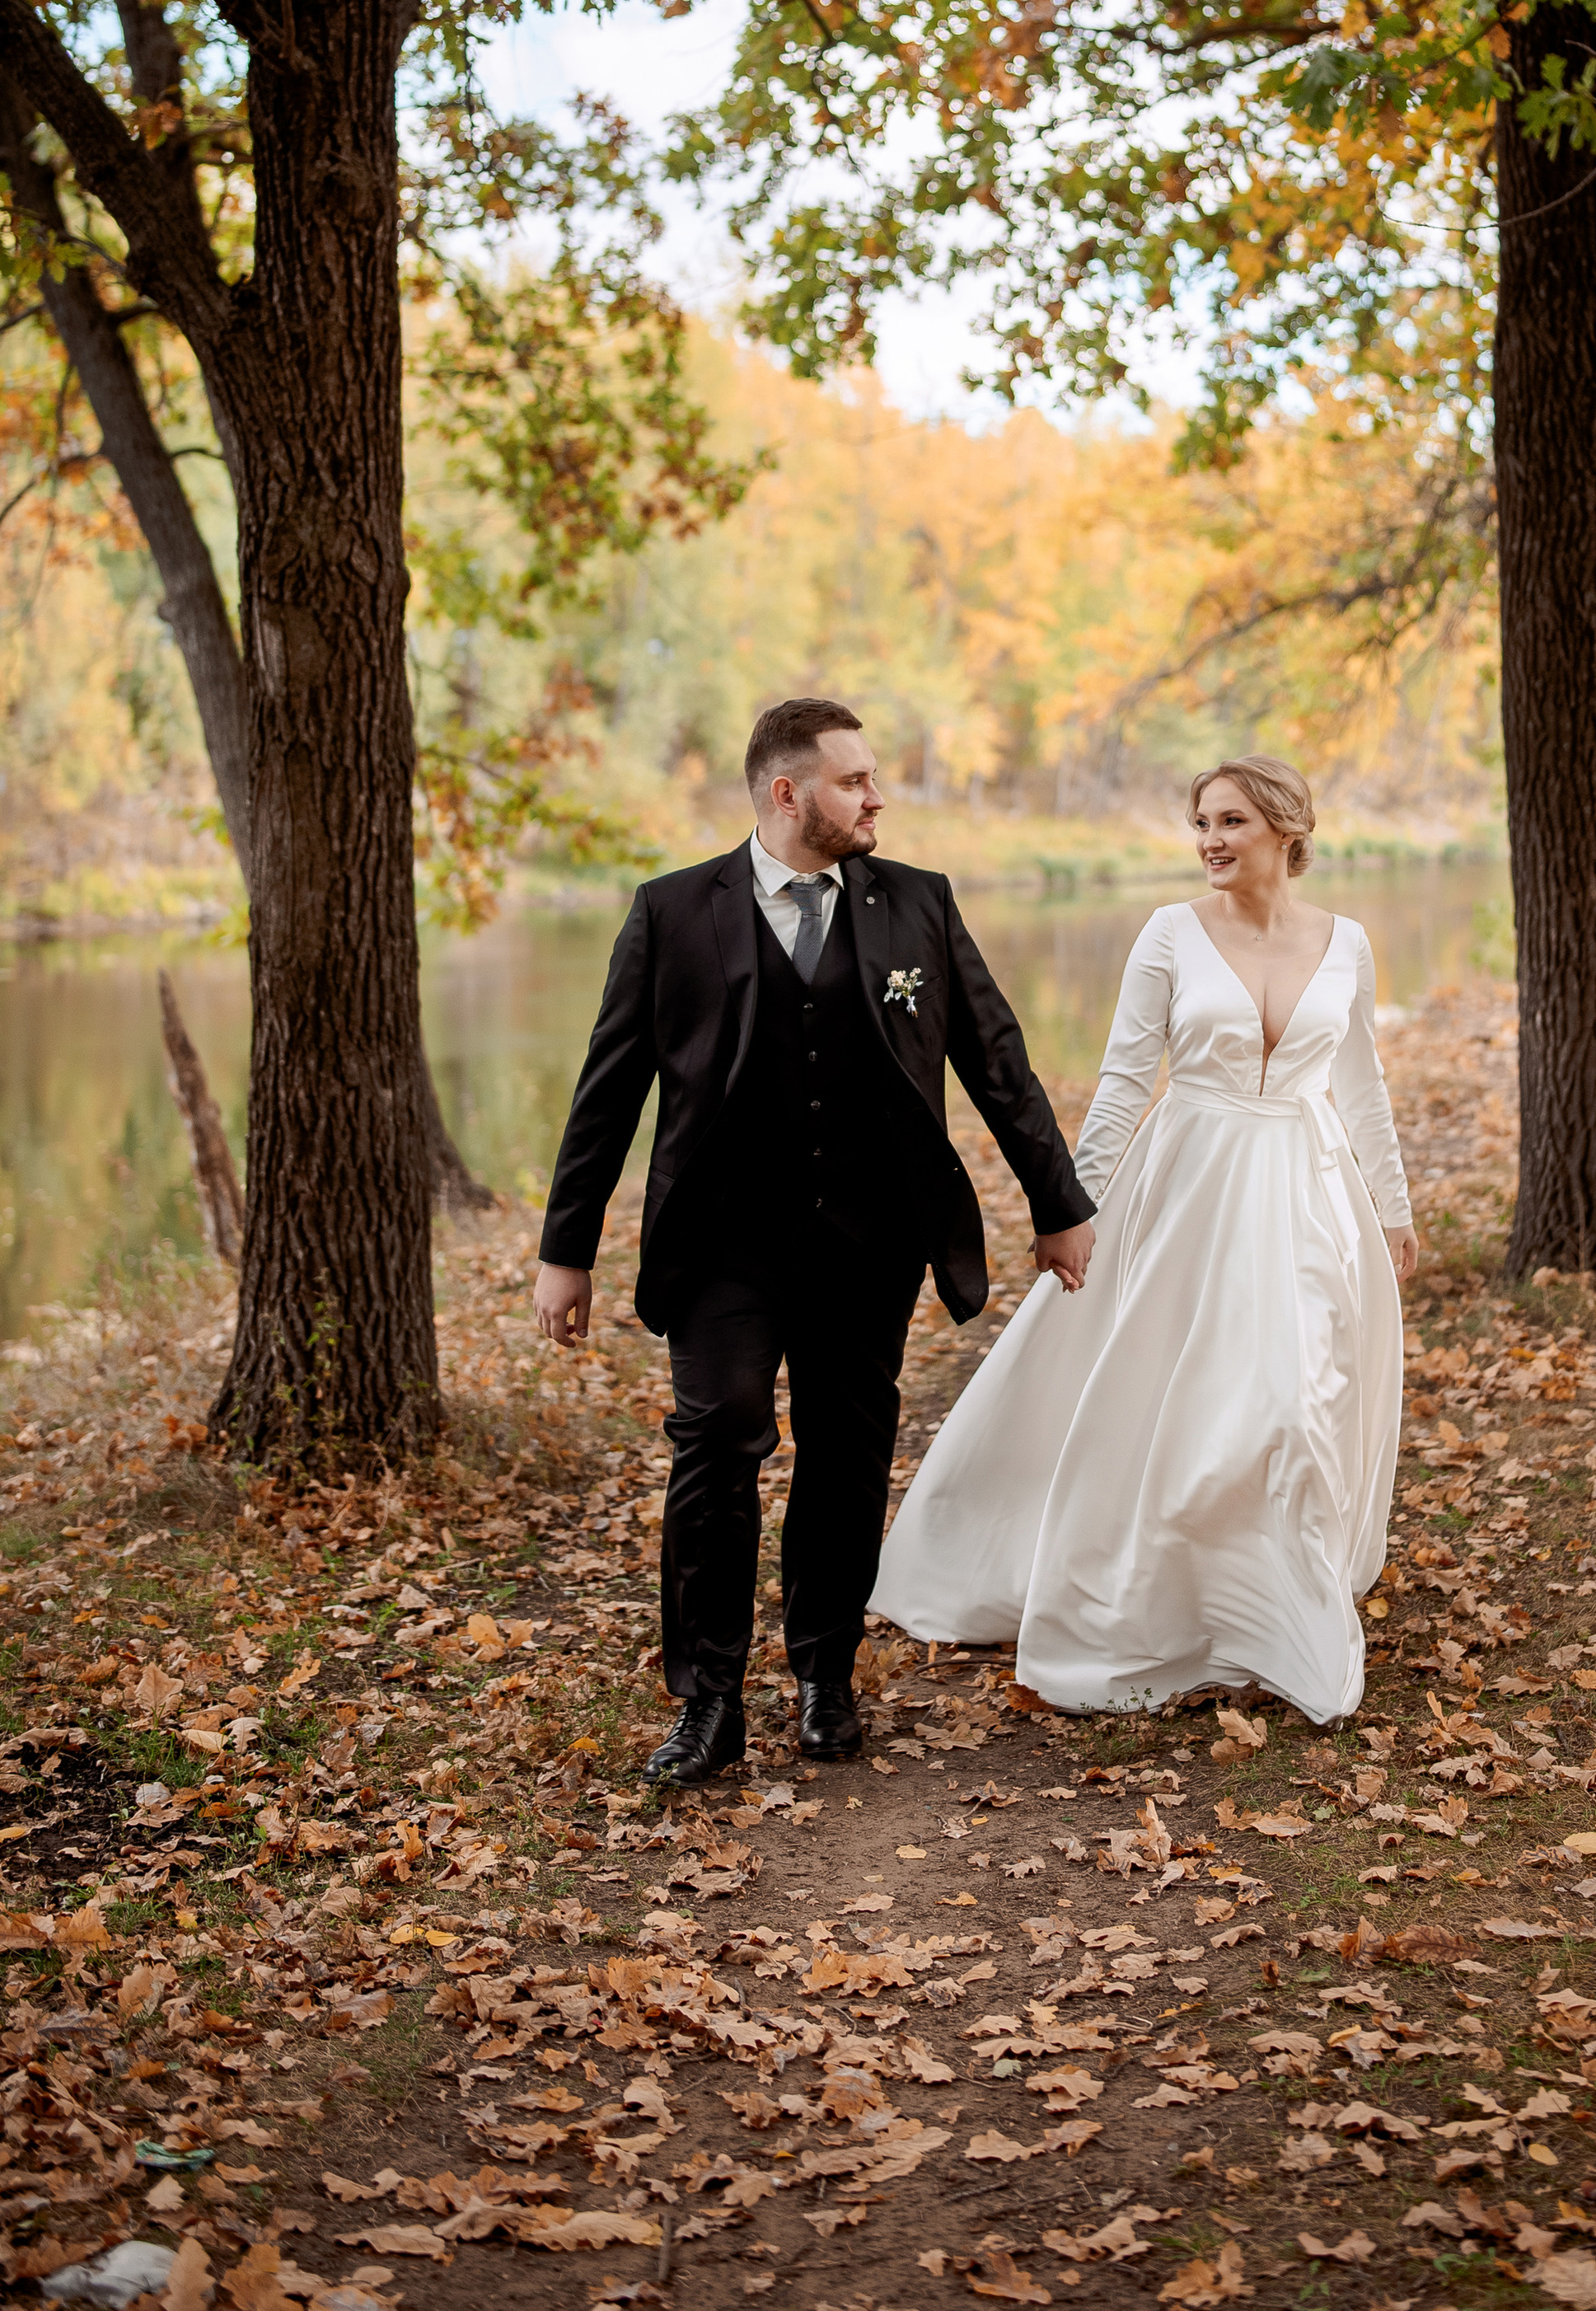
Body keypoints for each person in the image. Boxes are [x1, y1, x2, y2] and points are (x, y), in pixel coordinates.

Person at [531, 697, 1096, 1787]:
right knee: (717, 1440)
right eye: (855, 780)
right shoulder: (671, 910)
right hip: (721, 1243)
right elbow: (609, 1092)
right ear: (788, 793)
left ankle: (824, 1674)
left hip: (870, 1237)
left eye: (875, 777)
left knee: (846, 1453)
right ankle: (707, 1701)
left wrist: (1057, 1202)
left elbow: (997, 1057)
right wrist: (569, 1246)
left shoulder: (916, 905)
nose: (877, 796)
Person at [871, 755, 1416, 1726]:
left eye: (1231, 821)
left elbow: (1361, 1083)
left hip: (1304, 1193)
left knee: (1294, 1406)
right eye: (1200, 821)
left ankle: (1280, 1619)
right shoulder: (1169, 933)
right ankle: (1166, 1598)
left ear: (1287, 828)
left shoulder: (1348, 944)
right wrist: (1071, 1208)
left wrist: (1393, 1206)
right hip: (1188, 1185)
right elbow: (1124, 1078)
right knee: (1182, 1395)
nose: (1209, 839)